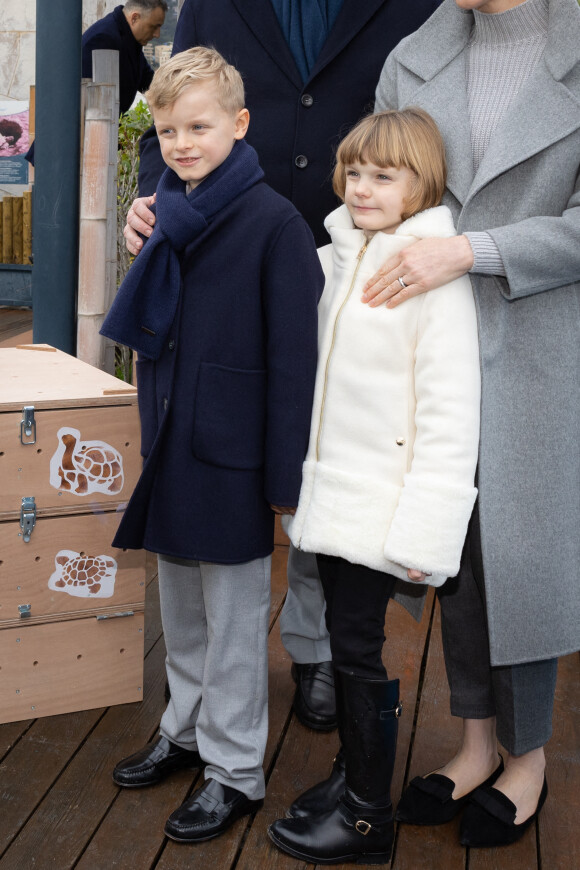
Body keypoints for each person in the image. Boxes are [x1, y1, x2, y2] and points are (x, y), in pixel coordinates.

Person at [123, 0, 443, 733]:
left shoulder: (423, 6)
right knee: (242, 443)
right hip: (227, 258)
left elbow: (425, 134)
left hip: (361, 265)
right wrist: (154, 193)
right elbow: (171, 107)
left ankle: (314, 645)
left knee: (322, 449)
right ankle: (213, 691)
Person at [365, 0, 580, 849]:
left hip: (542, 341)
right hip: (434, 346)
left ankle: (528, 759)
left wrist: (472, 249)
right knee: (451, 540)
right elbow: (379, 185)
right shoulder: (414, 55)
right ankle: (476, 742)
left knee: (522, 556)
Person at [100, 47, 322, 843]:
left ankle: (234, 769)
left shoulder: (274, 225)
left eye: (199, 126)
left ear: (240, 123)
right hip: (170, 437)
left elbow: (298, 364)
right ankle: (185, 728)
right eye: (167, 130)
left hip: (234, 454)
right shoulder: (165, 207)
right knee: (182, 609)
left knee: (233, 622)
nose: (182, 142)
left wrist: (285, 478)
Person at [267, 108, 482, 865]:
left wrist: (426, 536)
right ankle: (348, 779)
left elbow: (451, 415)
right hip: (335, 500)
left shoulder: (429, 278)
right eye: (354, 172)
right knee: (344, 639)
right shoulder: (340, 257)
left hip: (381, 508)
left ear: (419, 184)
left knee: (357, 650)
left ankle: (366, 818)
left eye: (382, 176)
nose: (362, 188)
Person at [82, 0, 167, 115]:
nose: (157, 34)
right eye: (154, 27)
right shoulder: (103, 39)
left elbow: (150, 83)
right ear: (134, 18)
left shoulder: (129, 39)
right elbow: (94, 104)